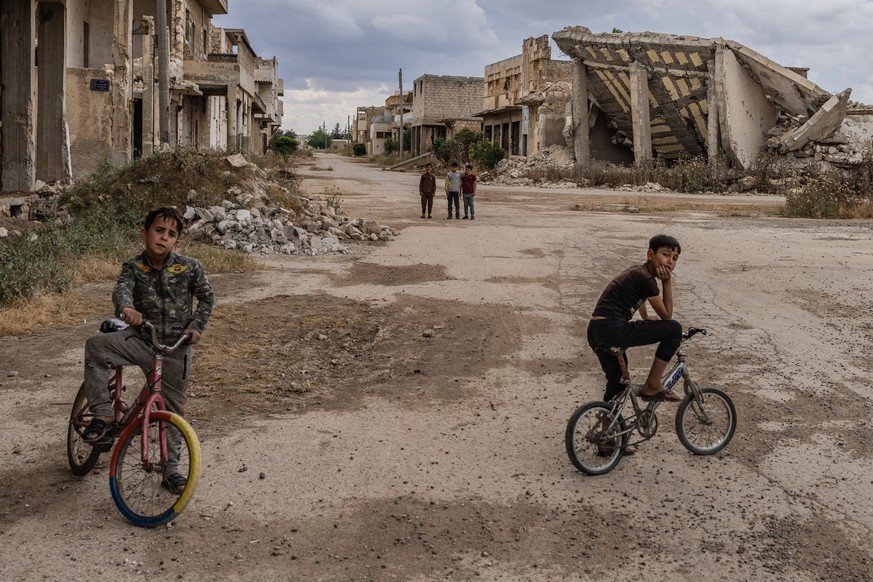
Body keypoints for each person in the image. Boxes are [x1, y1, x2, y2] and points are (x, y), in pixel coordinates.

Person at [80, 206, 215, 493]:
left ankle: (171, 470)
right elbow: (122, 290)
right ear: (144, 233)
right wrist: (126, 308)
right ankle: (103, 415)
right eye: (158, 230)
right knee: (96, 347)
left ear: (176, 240)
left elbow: (206, 298)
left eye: (171, 234)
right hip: (141, 340)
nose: (163, 238)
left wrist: (197, 327)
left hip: (177, 347)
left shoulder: (190, 267)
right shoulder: (133, 267)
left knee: (174, 409)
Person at [586, 234, 683, 404]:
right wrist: (667, 282)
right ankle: (652, 385)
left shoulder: (639, 272)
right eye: (666, 254)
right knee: (674, 329)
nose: (670, 262)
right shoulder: (646, 279)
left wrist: (645, 317)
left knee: (617, 385)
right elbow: (667, 315)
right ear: (650, 254)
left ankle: (607, 427)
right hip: (612, 328)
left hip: (596, 330)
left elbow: (636, 296)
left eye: (674, 258)